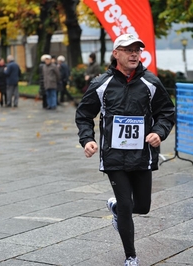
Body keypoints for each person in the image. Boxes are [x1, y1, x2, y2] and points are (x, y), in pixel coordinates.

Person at [75, 33, 175, 266]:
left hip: (142, 154)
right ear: (115, 53)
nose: (133, 54)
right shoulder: (101, 84)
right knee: (128, 206)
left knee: (143, 206)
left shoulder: (151, 82)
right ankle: (131, 257)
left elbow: (167, 113)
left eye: (137, 50)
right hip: (114, 155)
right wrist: (87, 139)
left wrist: (158, 133)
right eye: (128, 49)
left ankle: (115, 208)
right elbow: (84, 114)